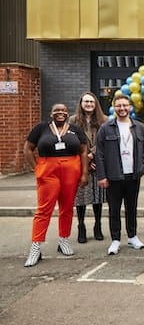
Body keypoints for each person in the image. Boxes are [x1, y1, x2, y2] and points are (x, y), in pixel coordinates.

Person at [23, 103, 89, 267]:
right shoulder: (41, 128)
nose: (60, 113)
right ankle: (36, 247)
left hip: (71, 170)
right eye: (57, 110)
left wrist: (84, 173)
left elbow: (83, 151)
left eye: (63, 111)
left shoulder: (75, 129)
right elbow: (28, 149)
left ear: (68, 113)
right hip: (48, 169)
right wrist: (37, 168)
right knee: (44, 209)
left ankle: (63, 240)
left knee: (67, 208)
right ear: (51, 113)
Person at [96, 95, 144, 255]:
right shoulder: (106, 128)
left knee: (132, 207)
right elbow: (100, 154)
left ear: (130, 107)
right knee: (114, 209)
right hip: (114, 175)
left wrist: (142, 166)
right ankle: (115, 239)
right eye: (118, 105)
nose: (122, 108)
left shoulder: (139, 127)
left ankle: (132, 236)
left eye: (125, 105)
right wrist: (102, 176)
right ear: (114, 107)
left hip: (133, 175)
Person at [69, 92, 108, 244]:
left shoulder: (104, 120)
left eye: (91, 102)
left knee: (97, 198)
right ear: (81, 103)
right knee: (81, 198)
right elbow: (71, 141)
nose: (89, 104)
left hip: (98, 164)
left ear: (95, 103)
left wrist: (93, 155)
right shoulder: (73, 120)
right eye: (86, 101)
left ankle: (98, 226)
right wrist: (85, 158)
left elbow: (105, 141)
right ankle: (81, 226)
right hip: (80, 164)